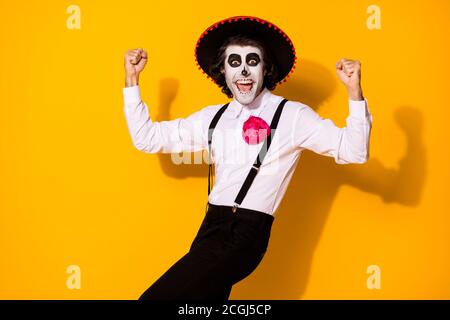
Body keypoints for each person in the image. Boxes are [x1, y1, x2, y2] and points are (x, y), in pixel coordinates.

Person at [122, 16, 372, 300]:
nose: (243, 70)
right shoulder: (213, 117)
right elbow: (147, 138)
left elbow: (354, 150)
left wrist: (355, 93)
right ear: (223, 71)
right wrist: (132, 81)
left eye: (252, 61)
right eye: (234, 62)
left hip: (246, 233)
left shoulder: (292, 116)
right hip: (210, 226)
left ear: (265, 69)